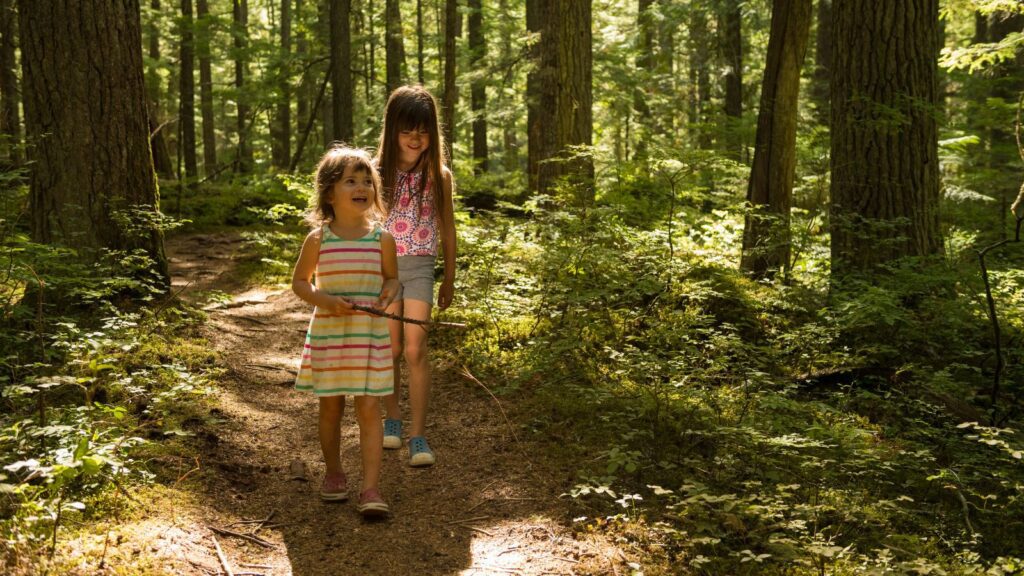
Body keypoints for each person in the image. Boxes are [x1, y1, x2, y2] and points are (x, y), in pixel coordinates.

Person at [293, 146, 400, 517]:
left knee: (370, 408)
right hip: (330, 336)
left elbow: (392, 280)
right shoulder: (319, 239)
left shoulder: (382, 240)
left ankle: (371, 488)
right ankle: (335, 472)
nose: (362, 187)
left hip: (367, 335)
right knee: (331, 407)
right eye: (350, 181)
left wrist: (389, 292)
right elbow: (300, 283)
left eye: (367, 180)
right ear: (329, 193)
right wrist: (325, 299)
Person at [374, 85, 457, 467]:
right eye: (407, 130)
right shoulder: (376, 174)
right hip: (384, 271)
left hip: (422, 267)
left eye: (422, 131)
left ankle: (418, 436)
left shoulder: (438, 175)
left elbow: (449, 229)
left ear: (432, 133)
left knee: (415, 349)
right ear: (392, 130)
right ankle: (392, 419)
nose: (414, 138)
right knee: (389, 350)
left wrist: (450, 277)